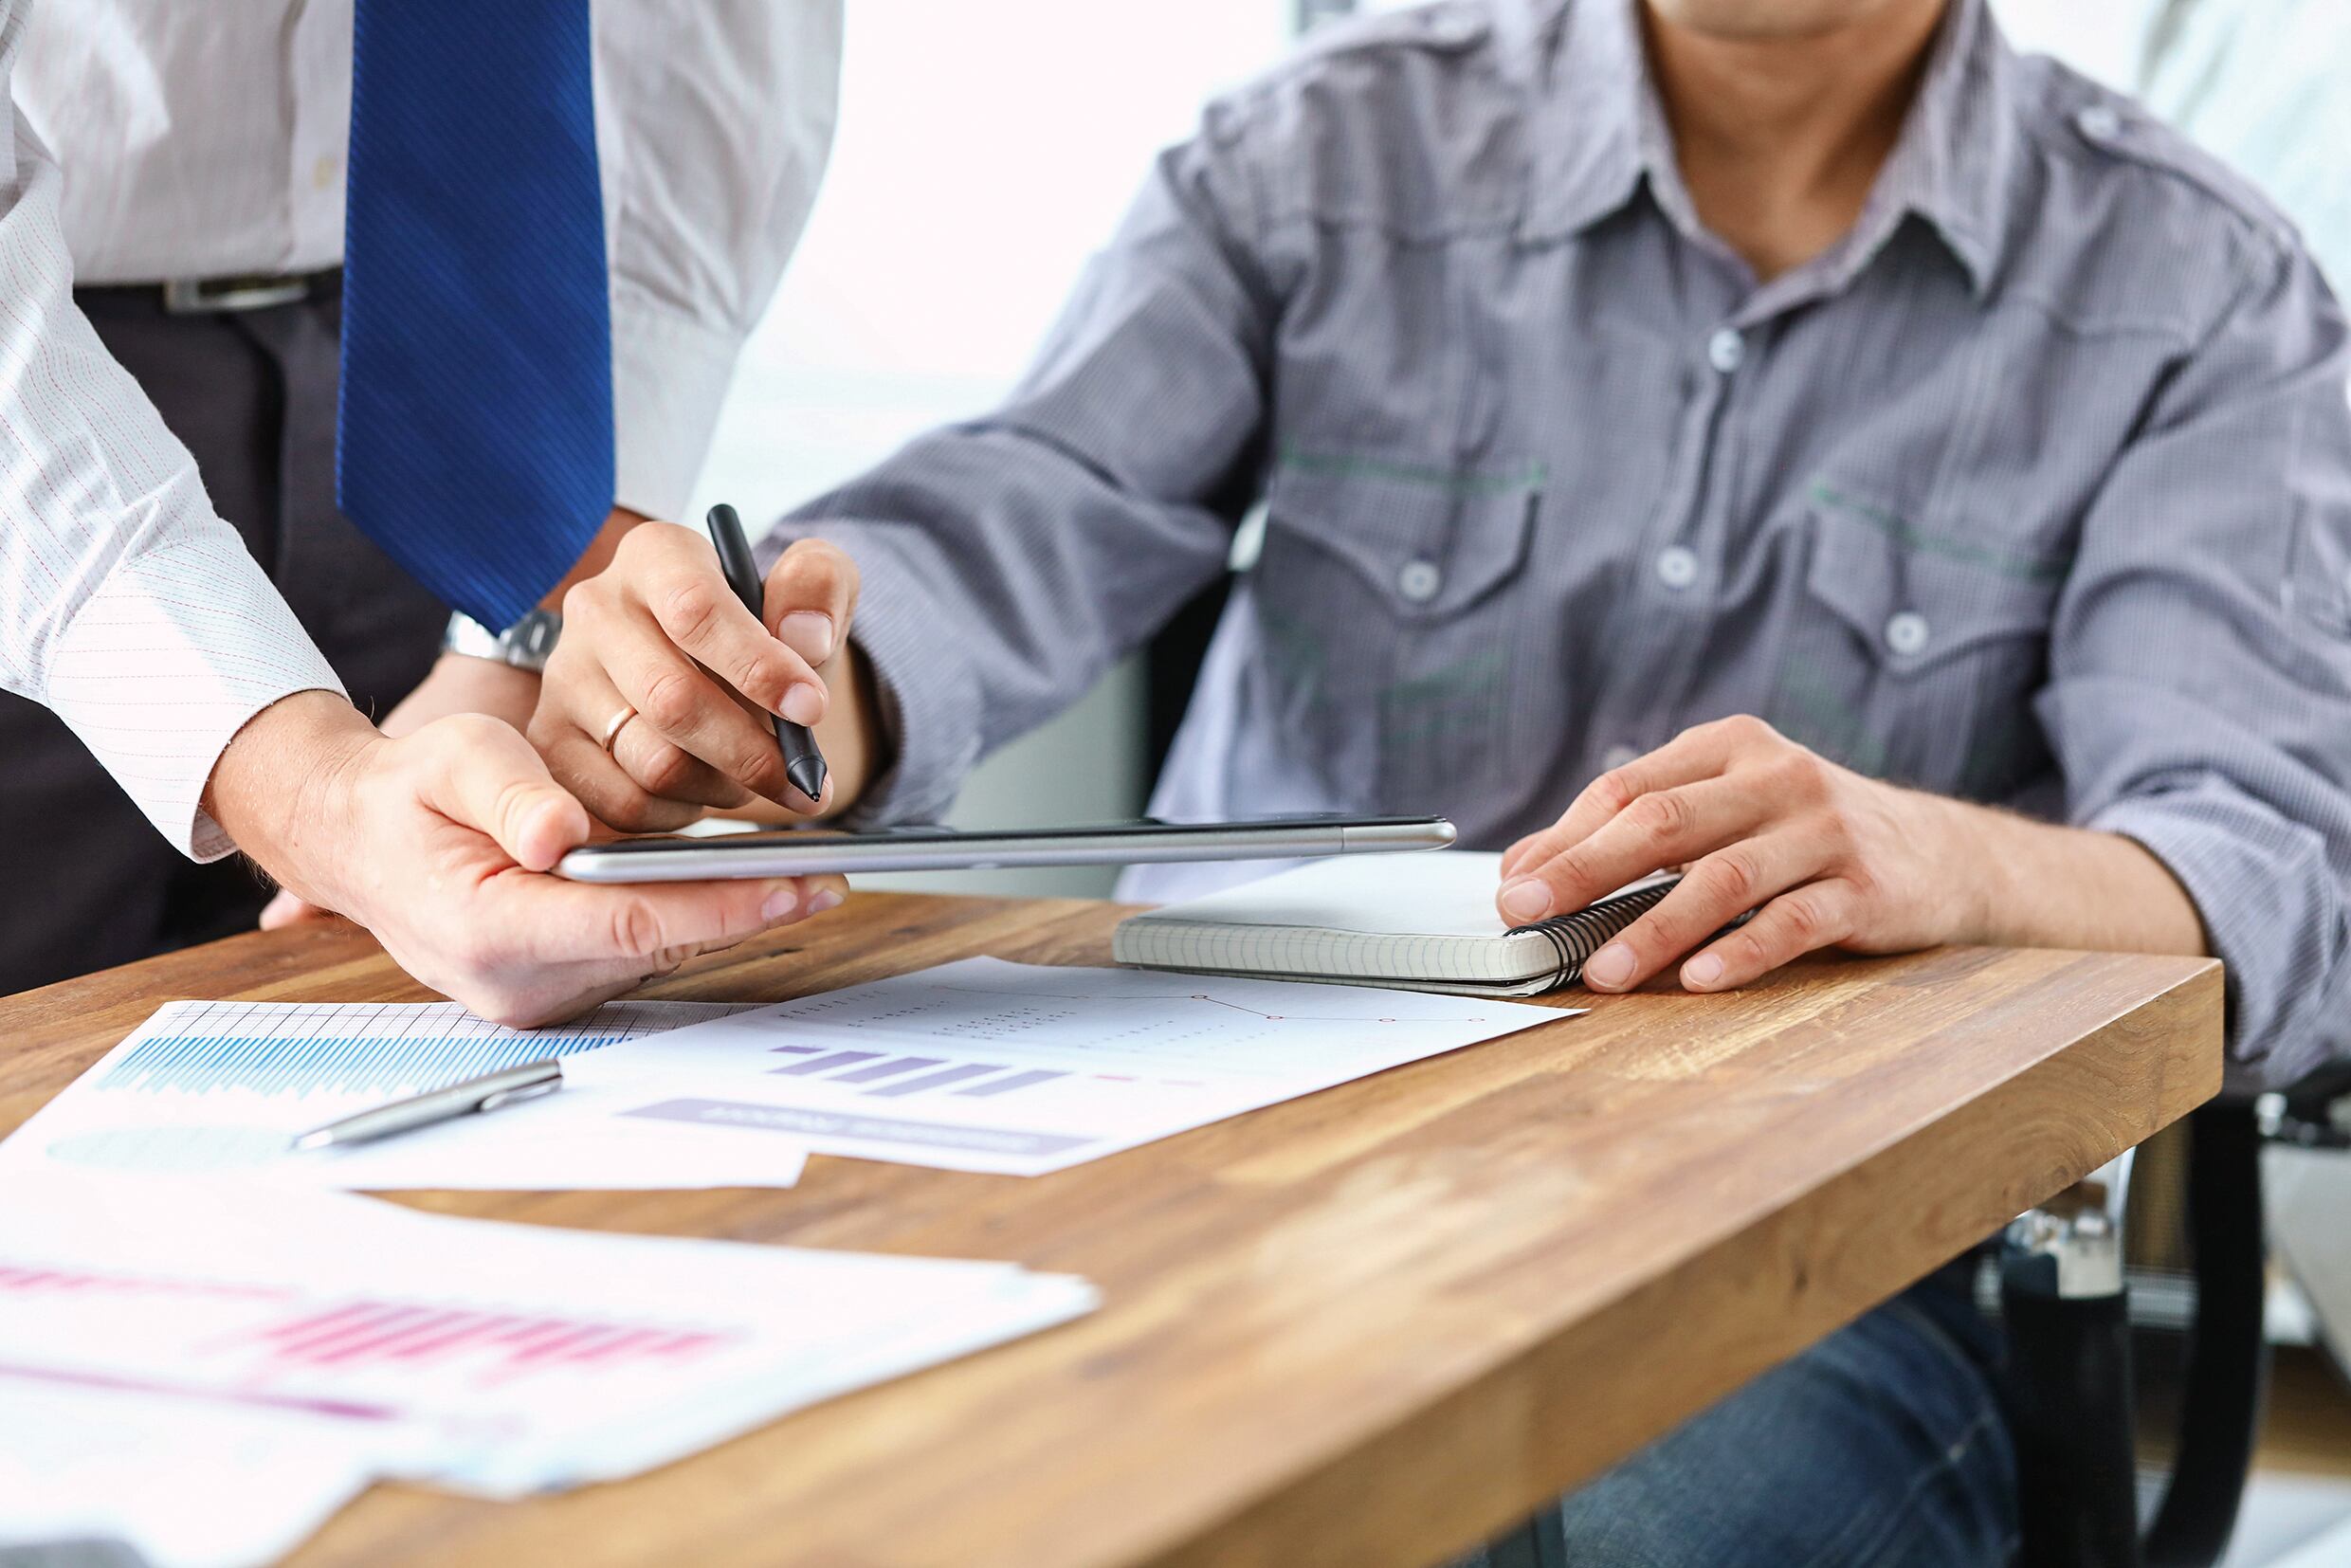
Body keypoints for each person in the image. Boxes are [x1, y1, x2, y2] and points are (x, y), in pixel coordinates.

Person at [536, 0, 2351, 1557]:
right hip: (1200, 1183)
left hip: (1814, 1274)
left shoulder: (2199, 286)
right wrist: (783, 685)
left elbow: (2263, 864)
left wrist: (1931, 856)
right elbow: (1013, 517)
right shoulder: (1325, 152)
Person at [0, 0, 842, 1026]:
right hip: (41, 415)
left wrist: (532, 625)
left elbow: (700, 43)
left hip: (445, 363)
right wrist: (312, 791)